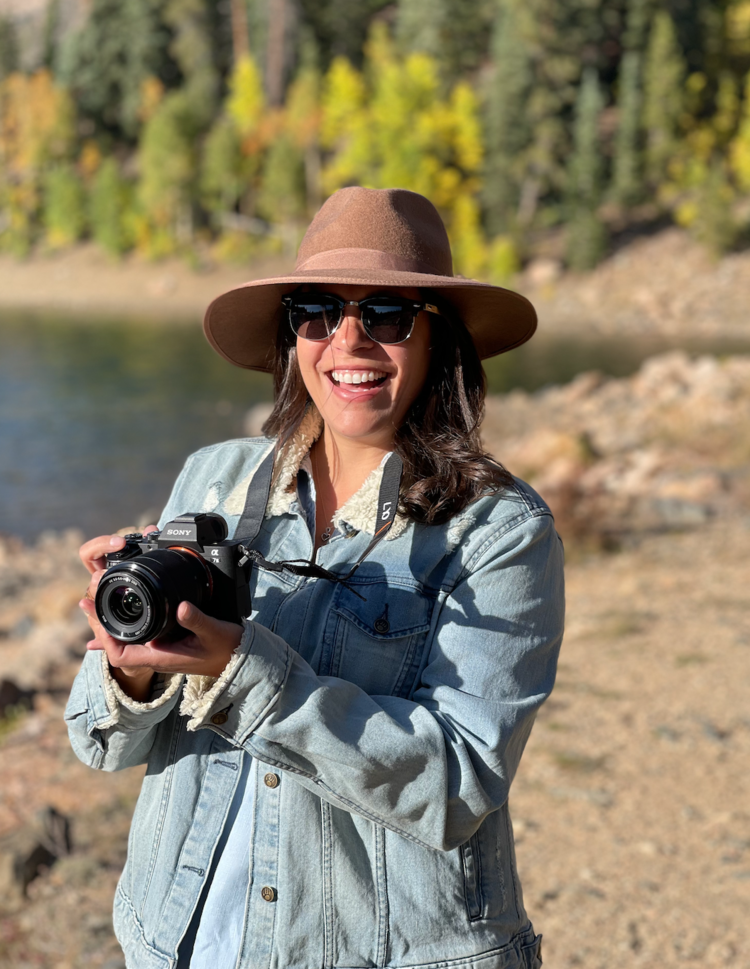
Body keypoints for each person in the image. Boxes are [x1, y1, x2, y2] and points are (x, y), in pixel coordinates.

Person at [67, 187, 564, 969]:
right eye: (318, 311)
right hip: (182, 940)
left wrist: (242, 673)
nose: (350, 340)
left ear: (440, 340)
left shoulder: (499, 530)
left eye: (389, 313)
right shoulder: (214, 478)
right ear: (292, 333)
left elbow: (458, 781)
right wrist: (131, 671)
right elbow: (98, 745)